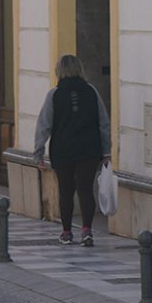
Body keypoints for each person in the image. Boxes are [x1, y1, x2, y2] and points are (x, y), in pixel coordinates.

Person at [34, 54, 111, 247]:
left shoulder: (54, 94)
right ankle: (86, 231)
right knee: (86, 190)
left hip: (63, 149)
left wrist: (38, 152)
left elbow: (44, 125)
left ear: (59, 71)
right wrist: (106, 151)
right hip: (89, 149)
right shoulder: (91, 91)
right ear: (79, 69)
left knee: (66, 190)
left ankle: (67, 232)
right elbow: (103, 123)